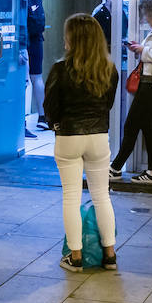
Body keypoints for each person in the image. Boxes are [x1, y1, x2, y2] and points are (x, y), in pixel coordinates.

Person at [44, 15, 119, 272]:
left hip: (69, 137)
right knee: (102, 196)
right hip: (99, 137)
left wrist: (57, 125)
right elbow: (107, 104)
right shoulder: (109, 70)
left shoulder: (60, 69)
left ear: (71, 39)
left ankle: (75, 257)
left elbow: (50, 108)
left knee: (71, 198)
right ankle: (109, 254)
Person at [111, 0, 152, 184]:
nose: (146, 18)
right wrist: (140, 49)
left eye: (148, 14)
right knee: (147, 128)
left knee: (131, 125)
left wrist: (142, 50)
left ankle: (116, 168)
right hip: (149, 83)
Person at [22, 0, 48, 130]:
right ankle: (43, 117)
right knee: (36, 77)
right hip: (37, 40)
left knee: (22, 80)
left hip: (21, 42)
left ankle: (20, 119)